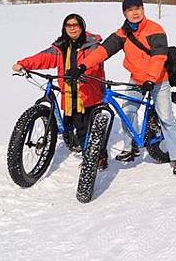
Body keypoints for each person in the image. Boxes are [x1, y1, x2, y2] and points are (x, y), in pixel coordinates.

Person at [70, 0, 176, 175]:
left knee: (166, 117)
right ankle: (130, 147)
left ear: (143, 9)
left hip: (158, 79)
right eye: (130, 10)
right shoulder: (122, 33)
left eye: (138, 8)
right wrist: (83, 66)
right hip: (136, 79)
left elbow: (159, 57)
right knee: (127, 111)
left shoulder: (155, 29)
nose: (135, 12)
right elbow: (103, 50)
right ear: (125, 13)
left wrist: (150, 79)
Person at [12, 14, 107, 169]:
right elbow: (43, 57)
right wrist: (24, 64)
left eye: (76, 25)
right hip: (70, 93)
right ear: (64, 28)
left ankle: (96, 158)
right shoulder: (61, 46)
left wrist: (84, 73)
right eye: (69, 25)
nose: (72, 28)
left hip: (88, 93)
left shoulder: (92, 45)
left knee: (87, 129)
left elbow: (95, 63)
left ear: (82, 26)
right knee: (72, 120)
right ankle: (76, 142)